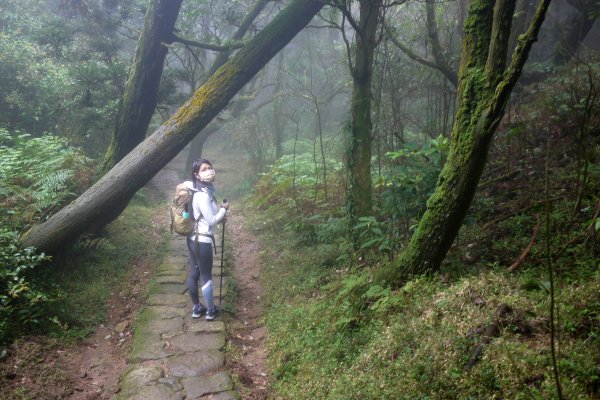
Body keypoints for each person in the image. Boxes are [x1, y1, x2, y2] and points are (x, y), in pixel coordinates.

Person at [184, 158, 228, 321]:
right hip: (202, 242)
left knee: (194, 273)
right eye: (204, 169)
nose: (209, 171)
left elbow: (202, 217)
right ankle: (210, 311)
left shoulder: (198, 191)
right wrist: (223, 210)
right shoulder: (202, 195)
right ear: (196, 174)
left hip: (192, 239)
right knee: (206, 276)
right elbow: (210, 221)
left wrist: (219, 217)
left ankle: (197, 308)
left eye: (209, 167)